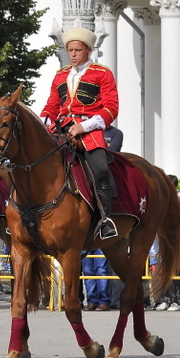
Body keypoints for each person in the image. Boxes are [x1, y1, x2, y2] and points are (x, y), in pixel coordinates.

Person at [41, 27, 120, 240]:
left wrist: (83, 127)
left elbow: (111, 109)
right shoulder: (60, 75)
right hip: (60, 131)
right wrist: (43, 122)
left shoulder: (102, 73)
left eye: (77, 50)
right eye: (70, 50)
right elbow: (51, 106)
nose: (73, 54)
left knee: (100, 170)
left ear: (88, 50)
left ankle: (105, 219)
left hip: (89, 133)